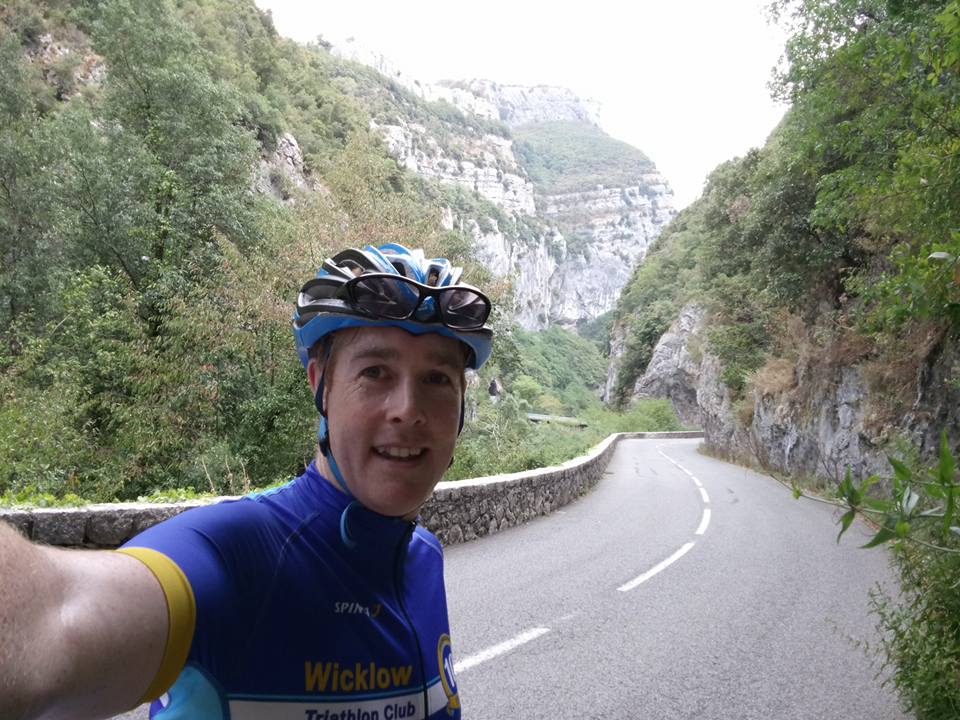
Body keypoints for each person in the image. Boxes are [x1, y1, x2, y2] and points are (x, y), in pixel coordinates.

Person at [0, 243, 493, 720]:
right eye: (376, 371)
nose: (408, 411)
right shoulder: (233, 555)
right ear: (320, 384)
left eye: (437, 380)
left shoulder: (422, 558)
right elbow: (53, 619)